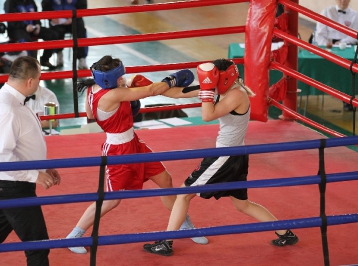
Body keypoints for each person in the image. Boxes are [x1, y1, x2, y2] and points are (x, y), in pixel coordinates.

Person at [143, 59, 299, 256]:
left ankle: (166, 243)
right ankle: (285, 232)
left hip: (226, 156)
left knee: (183, 194)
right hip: (236, 154)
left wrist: (207, 90)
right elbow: (175, 94)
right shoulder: (217, 88)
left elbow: (208, 115)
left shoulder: (237, 95)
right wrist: (155, 85)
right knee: (242, 205)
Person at [65, 55, 208, 254]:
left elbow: (90, 116)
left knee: (165, 180)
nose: (123, 78)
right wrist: (172, 79)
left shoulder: (93, 89)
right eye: (120, 77)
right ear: (109, 80)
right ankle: (74, 235)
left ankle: (184, 224)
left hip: (134, 143)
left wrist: (118, 113)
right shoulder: (112, 95)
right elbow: (151, 91)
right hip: (117, 152)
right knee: (111, 200)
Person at [0, 56, 62, 266]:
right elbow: (1, 155)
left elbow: (19, 144)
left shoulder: (9, 100)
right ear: (30, 81)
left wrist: (43, 165)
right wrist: (35, 174)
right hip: (12, 185)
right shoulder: (7, 107)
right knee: (38, 245)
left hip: (10, 183)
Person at [314, 0, 357, 111]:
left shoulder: (355, 15)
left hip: (346, 46)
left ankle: (348, 99)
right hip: (328, 46)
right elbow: (319, 35)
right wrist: (330, 45)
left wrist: (342, 42)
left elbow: (354, 36)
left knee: (349, 68)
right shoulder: (326, 12)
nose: (343, 1)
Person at [4, 0, 60, 70]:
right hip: (16, 29)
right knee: (28, 42)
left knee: (52, 35)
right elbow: (11, 20)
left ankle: (45, 60)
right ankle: (32, 67)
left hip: (32, 27)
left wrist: (37, 24)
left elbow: (36, 15)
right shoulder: (10, 2)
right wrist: (25, 27)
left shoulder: (30, 1)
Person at [41, 0, 89, 70]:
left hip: (74, 19)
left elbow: (83, 6)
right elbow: (45, 6)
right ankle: (59, 53)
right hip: (57, 20)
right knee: (56, 32)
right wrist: (51, 17)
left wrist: (74, 16)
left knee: (81, 30)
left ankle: (82, 58)